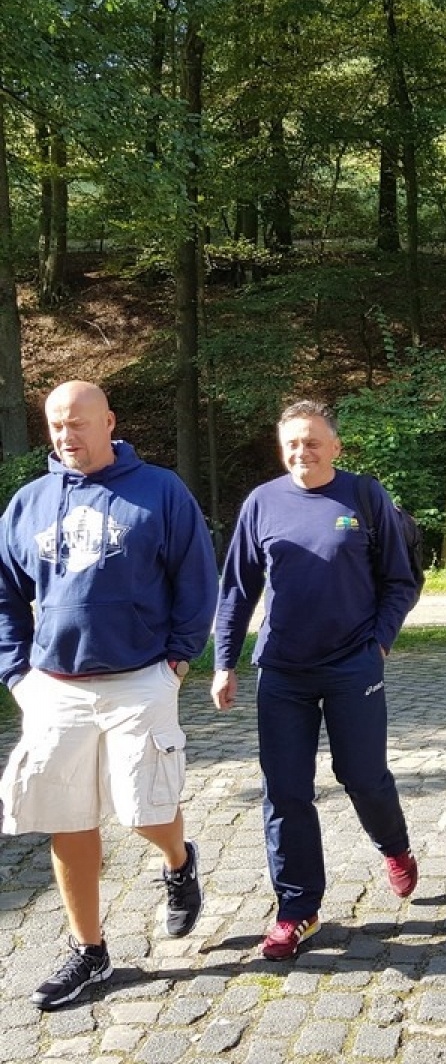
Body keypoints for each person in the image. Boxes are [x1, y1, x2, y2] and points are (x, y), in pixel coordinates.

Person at [0, 381, 217, 1010]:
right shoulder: (28, 503)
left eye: (78, 423)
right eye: (57, 425)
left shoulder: (159, 491)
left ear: (109, 422)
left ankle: (178, 861)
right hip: (54, 688)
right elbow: (5, 594)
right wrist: (17, 674)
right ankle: (90, 951)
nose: (67, 435)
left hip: (140, 679)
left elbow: (196, 579)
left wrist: (177, 661)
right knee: (66, 819)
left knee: (144, 809)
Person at [211, 400, 420, 962]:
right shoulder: (262, 503)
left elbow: (400, 580)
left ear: (335, 447)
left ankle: (394, 846)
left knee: (363, 776)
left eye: (312, 442)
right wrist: (225, 661)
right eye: (292, 444)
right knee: (285, 791)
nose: (301, 452)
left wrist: (378, 643)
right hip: (282, 671)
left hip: (353, 665)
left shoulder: (363, 497)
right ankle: (297, 909)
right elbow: (237, 589)